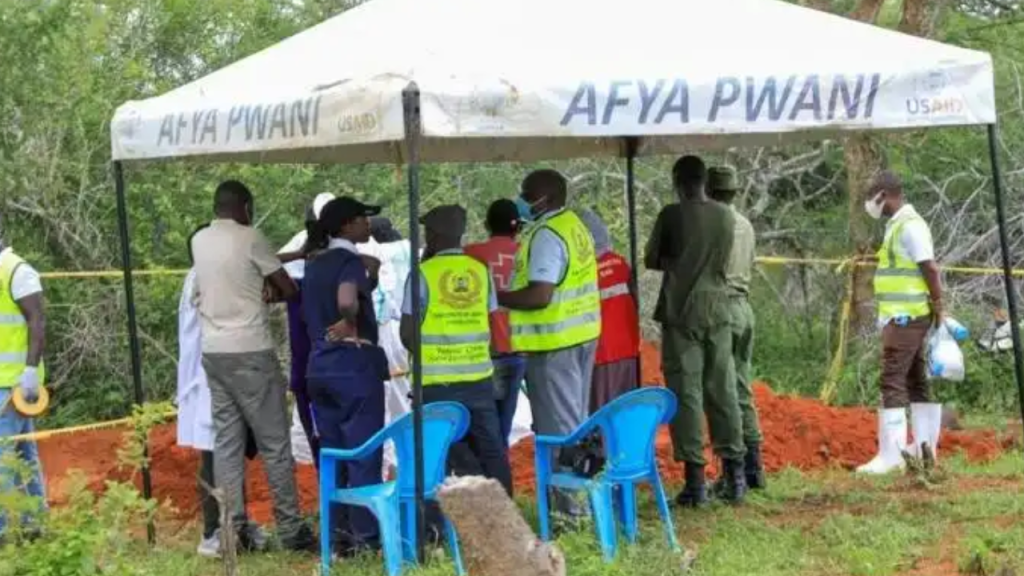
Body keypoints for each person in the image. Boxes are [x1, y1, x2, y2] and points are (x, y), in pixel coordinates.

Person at [190, 180, 312, 552]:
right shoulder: (251, 236)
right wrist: (270, 292)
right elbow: (287, 288)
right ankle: (291, 530)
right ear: (244, 206)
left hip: (213, 351)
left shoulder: (199, 241)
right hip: (250, 350)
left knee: (227, 442)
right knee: (275, 442)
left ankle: (231, 529)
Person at [499, 169, 601, 519]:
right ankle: (579, 502)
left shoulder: (546, 235)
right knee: (575, 421)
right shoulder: (573, 224)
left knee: (559, 429)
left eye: (527, 193)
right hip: (580, 335)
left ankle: (571, 513)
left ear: (545, 198)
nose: (522, 200)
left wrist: (498, 296)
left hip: (554, 341)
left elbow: (540, 294)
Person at [645, 155, 746, 506]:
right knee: (723, 386)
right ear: (704, 181)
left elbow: (651, 258)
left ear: (677, 181)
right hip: (718, 308)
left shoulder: (671, 215)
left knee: (686, 391)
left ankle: (696, 482)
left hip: (681, 310)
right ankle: (735, 475)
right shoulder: (725, 215)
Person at [401, 205, 513, 495]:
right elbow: (488, 320)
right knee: (491, 449)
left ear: (433, 235)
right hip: (478, 379)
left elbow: (406, 333)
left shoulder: (422, 273)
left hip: (436, 383)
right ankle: (507, 514)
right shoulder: (479, 270)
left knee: (440, 452)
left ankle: (443, 522)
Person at [304, 197, 387, 554]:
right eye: (363, 219)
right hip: (353, 365)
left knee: (333, 453)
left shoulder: (314, 264)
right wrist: (350, 319)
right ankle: (366, 539)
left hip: (319, 366)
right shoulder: (349, 262)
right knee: (364, 453)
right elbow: (346, 299)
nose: (369, 225)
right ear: (347, 226)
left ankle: (337, 539)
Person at [857, 170, 945, 474]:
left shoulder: (909, 227)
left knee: (892, 378)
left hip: (907, 316)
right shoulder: (898, 226)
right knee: (914, 379)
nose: (870, 204)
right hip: (903, 314)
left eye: (871, 197)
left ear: (884, 195)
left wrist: (939, 306)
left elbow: (930, 269)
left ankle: (891, 456)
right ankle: (924, 449)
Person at [706, 167, 766, 491]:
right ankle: (755, 468)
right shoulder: (745, 223)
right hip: (744, 307)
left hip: (721, 309)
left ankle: (733, 473)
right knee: (742, 386)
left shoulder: (713, 223)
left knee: (721, 391)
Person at [278, 192, 335, 468]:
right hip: (308, 358)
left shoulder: (345, 252)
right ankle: (319, 465)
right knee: (311, 415)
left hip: (336, 360)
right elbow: (270, 265)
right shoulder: (299, 246)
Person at [464, 199, 527, 447]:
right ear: (518, 227)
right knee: (504, 422)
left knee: (482, 423)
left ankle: (486, 474)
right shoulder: (527, 251)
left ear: (486, 224)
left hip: (484, 349)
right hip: (520, 346)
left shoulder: (470, 253)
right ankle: (499, 472)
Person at [0, 235, 47, 541]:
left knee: (4, 458)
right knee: (23, 452)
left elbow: (37, 321)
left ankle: (3, 531)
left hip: (14, 384)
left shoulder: (18, 271)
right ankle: (35, 525)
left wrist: (29, 372)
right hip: (6, 380)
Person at [577, 209, 640, 413]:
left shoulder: (583, 272)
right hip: (628, 349)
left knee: (602, 415)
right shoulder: (621, 263)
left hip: (601, 354)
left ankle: (602, 445)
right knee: (625, 412)